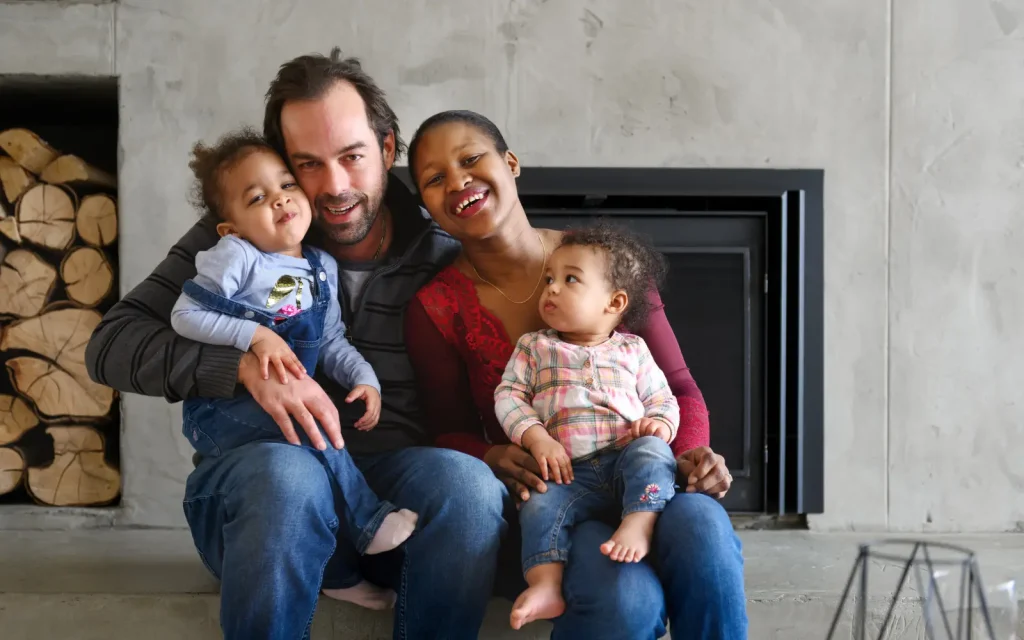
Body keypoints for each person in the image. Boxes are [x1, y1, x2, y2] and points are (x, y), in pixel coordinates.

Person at [85, 50, 507, 640]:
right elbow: (110, 344)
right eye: (307, 164)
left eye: (353, 157)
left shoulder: (441, 251)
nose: (333, 187)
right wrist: (240, 366)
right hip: (263, 489)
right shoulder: (240, 238)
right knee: (291, 478)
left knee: (468, 487)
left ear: (387, 149)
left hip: (390, 490)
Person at [404, 109, 749, 639]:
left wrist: (692, 455)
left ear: (510, 163)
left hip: (647, 479)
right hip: (558, 504)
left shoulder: (605, 264)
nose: (458, 181)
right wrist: (495, 455)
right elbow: (446, 430)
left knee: (703, 529)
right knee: (623, 600)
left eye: (471, 159)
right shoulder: (436, 307)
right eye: (433, 178)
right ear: (424, 201)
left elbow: (676, 388)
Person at [170, 129, 419, 583]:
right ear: (231, 228)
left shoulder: (320, 268)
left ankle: (338, 577)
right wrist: (254, 337)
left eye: (286, 186)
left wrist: (365, 378)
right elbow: (186, 313)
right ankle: (369, 521)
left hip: (289, 404)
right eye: (256, 198)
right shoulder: (237, 256)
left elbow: (330, 341)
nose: (280, 200)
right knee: (315, 429)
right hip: (224, 410)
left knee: (315, 444)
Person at [495, 223, 684, 629]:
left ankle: (640, 520)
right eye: (549, 279)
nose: (552, 289)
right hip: (567, 472)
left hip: (625, 461)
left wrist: (658, 426)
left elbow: (664, 400)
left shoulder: (633, 349)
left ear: (614, 302)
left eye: (570, 280)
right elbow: (508, 396)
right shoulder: (535, 346)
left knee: (654, 454)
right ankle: (546, 583)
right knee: (538, 502)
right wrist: (536, 436)